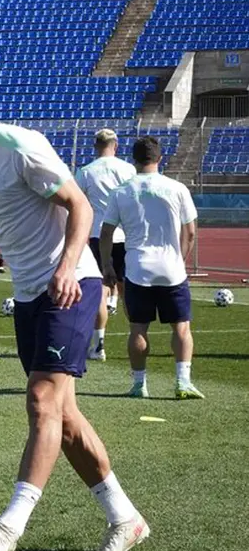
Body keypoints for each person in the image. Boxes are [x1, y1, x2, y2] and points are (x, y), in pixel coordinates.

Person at [0, 67, 148, 551]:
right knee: (62, 418)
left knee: (42, 401)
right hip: (27, 295)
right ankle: (126, 519)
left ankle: (10, 525)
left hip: (71, 284)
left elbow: (79, 205)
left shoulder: (19, 144)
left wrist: (67, 267)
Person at [101, 136, 202, 400]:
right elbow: (190, 232)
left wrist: (107, 264)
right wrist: (180, 259)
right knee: (181, 328)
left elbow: (106, 232)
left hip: (137, 269)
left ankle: (139, 385)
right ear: (159, 158)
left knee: (138, 329)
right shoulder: (177, 188)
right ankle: (182, 382)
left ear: (133, 160)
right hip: (171, 268)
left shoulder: (122, 191)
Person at [75, 129, 136, 361]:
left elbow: (77, 201)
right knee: (126, 289)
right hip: (125, 234)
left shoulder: (86, 172)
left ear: (95, 146)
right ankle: (136, 337)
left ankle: (99, 344)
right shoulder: (128, 170)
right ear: (115, 145)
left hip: (98, 235)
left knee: (100, 290)